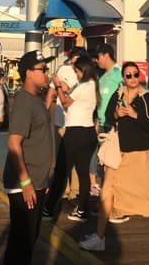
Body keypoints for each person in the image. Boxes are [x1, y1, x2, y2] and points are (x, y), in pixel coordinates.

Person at [79, 61, 149, 253]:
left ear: (140, 76)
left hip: (140, 155)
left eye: (135, 75)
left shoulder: (146, 98)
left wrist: (135, 115)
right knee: (106, 192)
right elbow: (110, 118)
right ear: (124, 78)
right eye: (128, 75)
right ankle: (99, 237)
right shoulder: (118, 94)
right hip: (119, 153)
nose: (132, 79)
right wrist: (117, 114)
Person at [2, 50, 54, 265]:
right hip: (25, 183)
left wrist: (45, 178)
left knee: (27, 239)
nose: (46, 73)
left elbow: (38, 131)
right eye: (42, 70)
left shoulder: (35, 100)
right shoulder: (24, 101)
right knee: (22, 243)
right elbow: (14, 143)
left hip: (37, 181)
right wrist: (26, 182)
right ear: (29, 74)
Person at [44, 55, 99, 223]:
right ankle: (82, 209)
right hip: (88, 132)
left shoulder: (84, 86)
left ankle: (48, 208)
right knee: (82, 172)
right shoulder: (92, 86)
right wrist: (65, 88)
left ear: (84, 70)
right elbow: (73, 98)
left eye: (77, 71)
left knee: (61, 170)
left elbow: (65, 102)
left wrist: (58, 84)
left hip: (75, 132)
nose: (76, 74)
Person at [91, 44, 122, 197]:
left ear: (105, 55)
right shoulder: (103, 76)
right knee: (101, 162)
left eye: (98, 57)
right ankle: (104, 198)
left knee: (111, 164)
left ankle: (111, 199)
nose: (97, 61)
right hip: (101, 125)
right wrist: (97, 121)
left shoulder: (118, 73)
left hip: (113, 126)